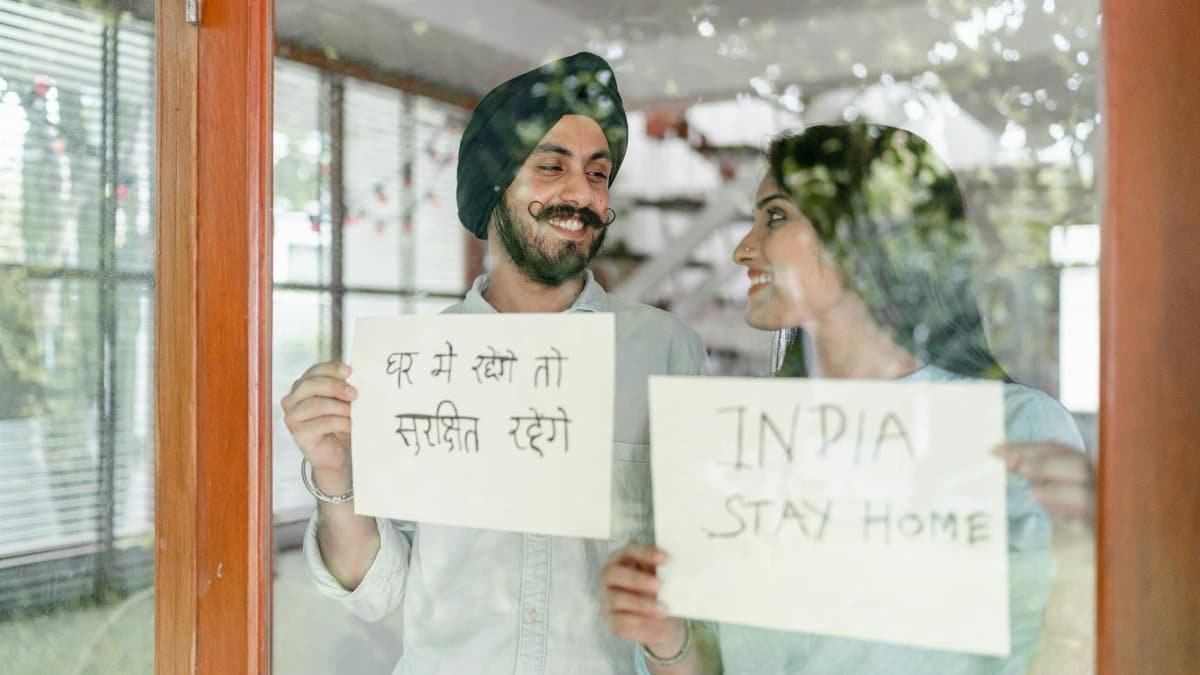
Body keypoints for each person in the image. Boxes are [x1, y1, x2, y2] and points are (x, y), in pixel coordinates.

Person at [602, 123, 1092, 674]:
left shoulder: (1015, 432)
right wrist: (667, 637)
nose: (744, 249)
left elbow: (1057, 656)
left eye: (777, 216)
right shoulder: (743, 439)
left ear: (865, 233)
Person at [281, 52, 708, 675]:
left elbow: (695, 584)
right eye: (551, 166)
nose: (582, 194)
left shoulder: (667, 352)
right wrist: (333, 470)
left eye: (598, 173)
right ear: (496, 185)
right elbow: (374, 590)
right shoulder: (418, 366)